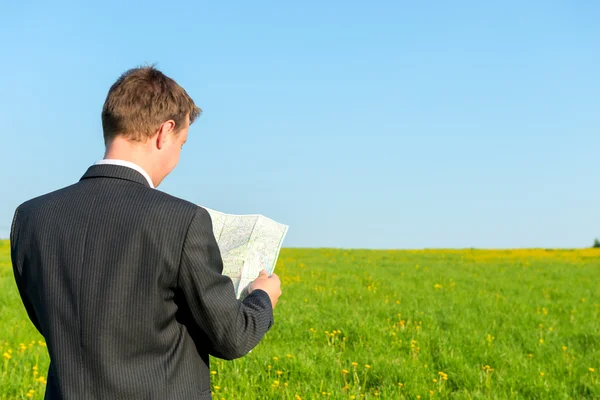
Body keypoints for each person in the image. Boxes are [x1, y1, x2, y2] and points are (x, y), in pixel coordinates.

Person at [9, 66, 282, 399]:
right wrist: (262, 297)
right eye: (182, 144)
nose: (178, 156)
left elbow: (49, 322)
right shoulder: (182, 221)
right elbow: (232, 338)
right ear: (164, 133)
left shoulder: (30, 217)